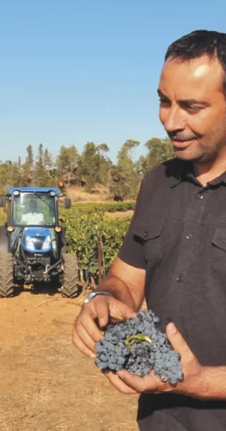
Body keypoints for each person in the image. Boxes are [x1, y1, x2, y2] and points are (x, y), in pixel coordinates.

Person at [72, 29, 226, 430]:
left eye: (191, 106)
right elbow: (126, 278)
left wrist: (201, 382)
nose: (170, 121)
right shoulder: (157, 182)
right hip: (160, 420)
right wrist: (103, 297)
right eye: (163, 101)